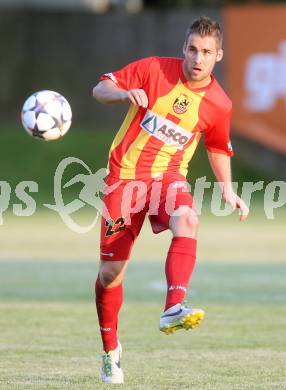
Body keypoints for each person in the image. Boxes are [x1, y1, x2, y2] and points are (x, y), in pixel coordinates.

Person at [92, 15, 249, 384]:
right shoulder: (152, 70)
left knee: (188, 219)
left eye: (207, 52)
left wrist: (226, 187)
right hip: (124, 181)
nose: (198, 58)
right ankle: (110, 350)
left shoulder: (219, 104)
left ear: (219, 56)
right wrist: (122, 94)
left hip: (168, 179)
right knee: (110, 275)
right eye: (193, 49)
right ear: (183, 48)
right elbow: (100, 89)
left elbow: (216, 146)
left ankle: (173, 306)